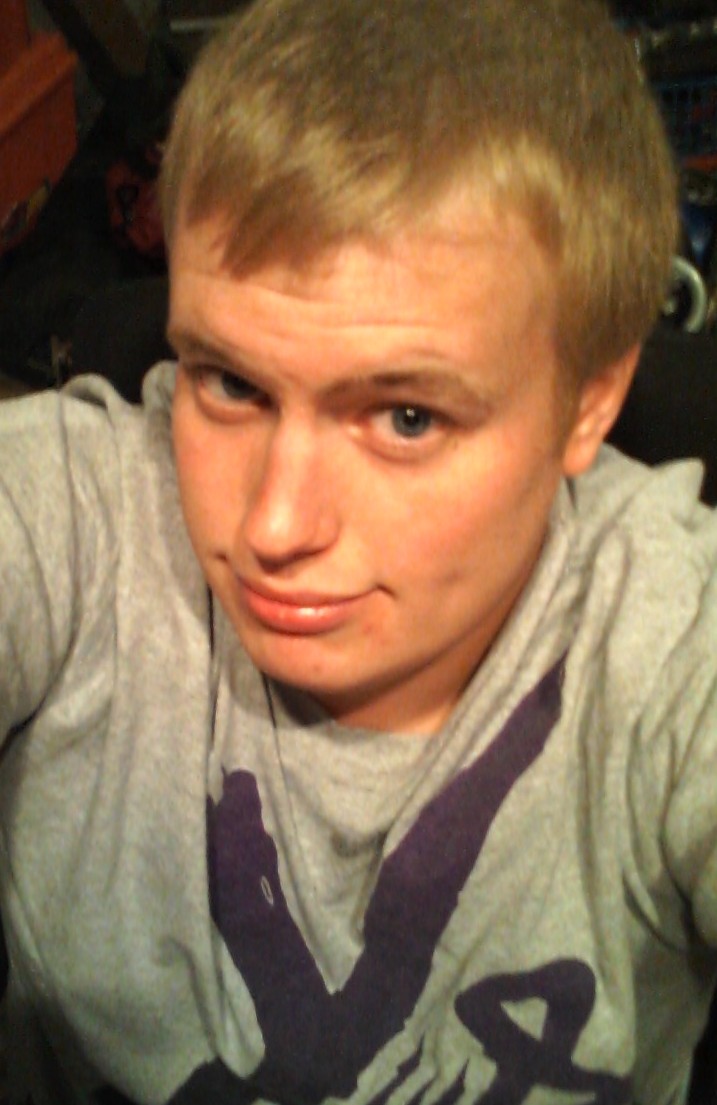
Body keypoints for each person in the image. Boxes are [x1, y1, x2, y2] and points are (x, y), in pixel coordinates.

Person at [0, 0, 715, 1102]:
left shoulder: (672, 641)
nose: (273, 526)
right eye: (229, 382)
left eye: (406, 418)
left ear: (589, 401)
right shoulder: (82, 513)